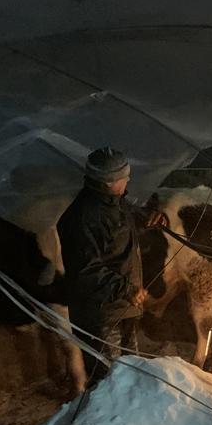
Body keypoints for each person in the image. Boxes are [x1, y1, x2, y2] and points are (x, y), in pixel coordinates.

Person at [56, 147, 167, 385]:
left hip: (123, 308)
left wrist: (146, 221)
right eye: (124, 176)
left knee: (132, 375)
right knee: (109, 383)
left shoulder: (115, 203)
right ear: (108, 182)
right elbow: (85, 270)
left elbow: (117, 238)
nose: (128, 179)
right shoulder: (83, 217)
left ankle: (131, 421)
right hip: (101, 317)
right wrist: (125, 289)